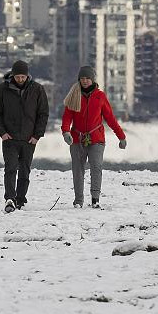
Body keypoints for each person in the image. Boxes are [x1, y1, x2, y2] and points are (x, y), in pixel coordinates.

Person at [60, 65, 126, 209]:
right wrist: (66, 132)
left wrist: (121, 137)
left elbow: (110, 119)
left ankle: (95, 199)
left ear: (92, 79)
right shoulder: (74, 96)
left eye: (87, 78)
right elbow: (67, 118)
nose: (84, 81)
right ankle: (78, 200)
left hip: (96, 139)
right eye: (82, 78)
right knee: (78, 170)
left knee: (96, 167)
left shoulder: (100, 96)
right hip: (76, 138)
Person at [0, 59, 49, 213]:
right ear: (13, 75)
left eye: (23, 76)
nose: (20, 79)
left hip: (29, 139)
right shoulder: (2, 89)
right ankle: (10, 198)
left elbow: (43, 114)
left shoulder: (37, 89)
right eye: (18, 77)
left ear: (27, 75)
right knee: (10, 168)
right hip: (9, 138)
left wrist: (37, 135)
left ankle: (20, 199)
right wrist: (2, 132)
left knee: (24, 171)